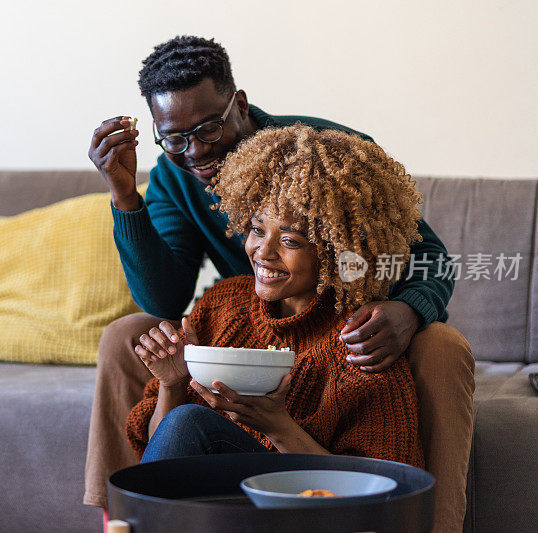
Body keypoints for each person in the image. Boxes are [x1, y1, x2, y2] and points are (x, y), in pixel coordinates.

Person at [87, 36, 473, 532]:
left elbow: (430, 258)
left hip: (353, 315)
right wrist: (125, 195)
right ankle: (120, 517)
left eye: (208, 128)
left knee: (440, 343)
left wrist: (409, 311)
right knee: (128, 333)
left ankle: (434, 523)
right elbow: (162, 299)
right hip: (258, 317)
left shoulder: (333, 159)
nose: (196, 150)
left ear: (239, 105)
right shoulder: (175, 177)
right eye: (176, 138)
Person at [128, 124, 424, 470]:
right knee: (181, 422)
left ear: (335, 250)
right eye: (256, 229)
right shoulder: (222, 305)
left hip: (302, 508)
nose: (262, 252)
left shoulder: (362, 341)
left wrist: (277, 426)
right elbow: (155, 448)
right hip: (211, 507)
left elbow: (383, 491)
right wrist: (172, 385)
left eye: (290, 241)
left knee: (187, 422)